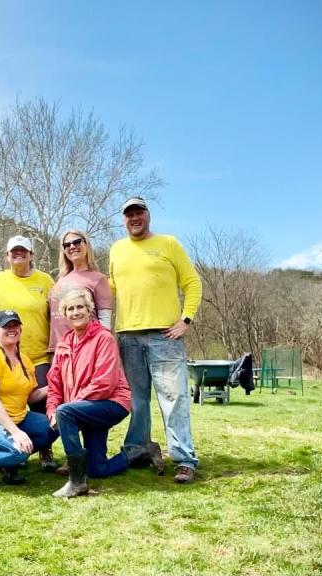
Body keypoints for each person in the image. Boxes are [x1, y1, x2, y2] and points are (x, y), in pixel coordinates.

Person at [109, 197, 203, 484]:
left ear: (148, 215)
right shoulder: (116, 249)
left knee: (173, 398)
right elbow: (110, 291)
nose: (134, 218)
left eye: (139, 212)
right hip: (127, 336)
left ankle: (184, 459)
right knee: (136, 400)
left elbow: (192, 282)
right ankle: (137, 450)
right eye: (129, 214)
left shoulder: (169, 244)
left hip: (164, 336)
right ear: (123, 220)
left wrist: (185, 320)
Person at [47, 289, 142, 498]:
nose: (75, 312)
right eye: (70, 308)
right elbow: (54, 385)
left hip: (111, 402)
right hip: (85, 407)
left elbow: (104, 383)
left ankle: (76, 481)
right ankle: (138, 453)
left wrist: (70, 409)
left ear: (89, 310)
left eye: (80, 307)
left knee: (65, 412)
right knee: (97, 468)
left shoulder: (103, 338)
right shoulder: (64, 344)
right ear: (65, 314)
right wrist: (53, 410)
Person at [0, 310, 60, 490]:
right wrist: (16, 432)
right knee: (19, 450)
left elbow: (31, 395)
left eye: (15, 325)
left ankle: (6, 461)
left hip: (17, 418)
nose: (11, 329)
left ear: (20, 330)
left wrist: (56, 386)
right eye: (6, 326)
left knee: (54, 426)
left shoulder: (25, 360)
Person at [0, 235, 57, 470]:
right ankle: (9, 447)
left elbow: (57, 314)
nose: (18, 255)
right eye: (14, 251)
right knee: (8, 405)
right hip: (6, 358)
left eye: (23, 251)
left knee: (44, 406)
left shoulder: (45, 281)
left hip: (39, 355)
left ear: (31, 255)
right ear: (7, 256)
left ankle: (44, 451)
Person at [48, 229, 114, 349]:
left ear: (86, 245)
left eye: (77, 242)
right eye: (67, 245)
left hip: (86, 347)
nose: (72, 246)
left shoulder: (98, 279)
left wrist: (103, 347)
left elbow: (105, 320)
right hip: (59, 349)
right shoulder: (60, 280)